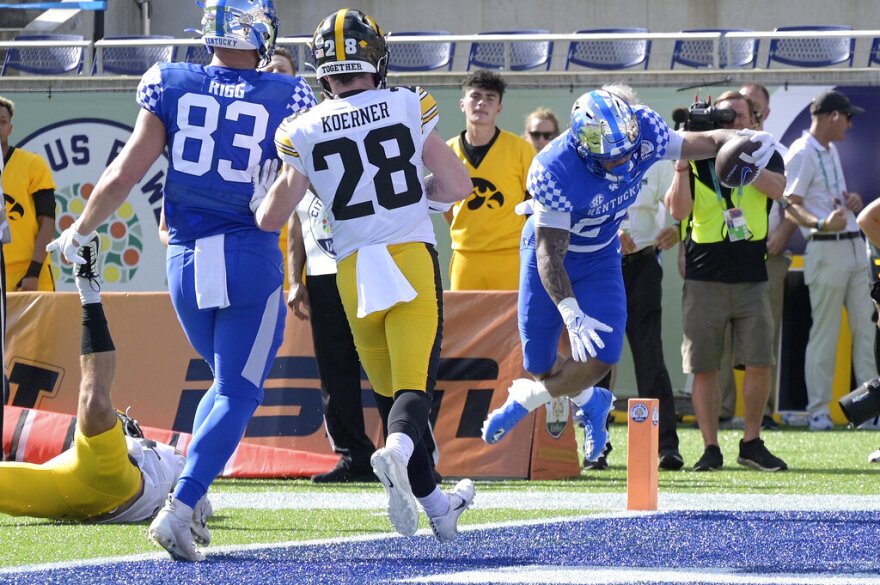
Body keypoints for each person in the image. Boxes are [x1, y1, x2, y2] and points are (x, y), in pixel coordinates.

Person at [46, 0, 316, 561]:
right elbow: (307, 179)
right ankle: (181, 505)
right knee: (238, 391)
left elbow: (125, 172)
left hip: (186, 262)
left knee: (223, 382)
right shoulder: (290, 93)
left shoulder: (170, 81)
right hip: (249, 257)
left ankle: (190, 491)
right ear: (260, 32)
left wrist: (80, 231)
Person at [254, 9, 475, 543]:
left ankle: (439, 509)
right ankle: (395, 452)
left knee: (390, 393)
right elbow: (457, 185)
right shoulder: (407, 103)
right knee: (413, 389)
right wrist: (418, 196)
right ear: (376, 57)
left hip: (352, 269)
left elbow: (270, 217)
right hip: (407, 255)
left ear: (322, 69)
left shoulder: (302, 128)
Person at [480, 84, 778, 466]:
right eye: (613, 157)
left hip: (601, 255)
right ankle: (590, 400)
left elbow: (704, 142)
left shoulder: (645, 128)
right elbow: (548, 253)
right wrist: (570, 310)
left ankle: (530, 398)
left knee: (604, 354)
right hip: (550, 253)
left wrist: (741, 139)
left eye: (628, 152)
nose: (623, 162)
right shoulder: (553, 167)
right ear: (584, 148)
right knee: (538, 362)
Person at [0, 237, 211, 540]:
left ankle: (89, 293)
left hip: (112, 485)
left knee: (95, 404)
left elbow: (199, 501)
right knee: (95, 406)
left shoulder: (175, 461)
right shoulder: (170, 457)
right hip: (87, 484)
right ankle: (89, 291)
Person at [667, 90, 788, 472]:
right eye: (725, 116)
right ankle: (710, 446)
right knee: (704, 365)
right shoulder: (697, 153)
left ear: (754, 119)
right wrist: (682, 164)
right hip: (704, 273)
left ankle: (751, 442)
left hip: (752, 272)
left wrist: (743, 161)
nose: (733, 122)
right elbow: (678, 210)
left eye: (740, 115)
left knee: (759, 361)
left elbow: (778, 190)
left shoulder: (766, 151)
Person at [782, 89, 877, 431]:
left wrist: (850, 201)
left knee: (868, 331)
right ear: (833, 116)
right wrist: (822, 223)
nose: (850, 124)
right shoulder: (801, 151)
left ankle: (870, 410)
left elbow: (824, 197)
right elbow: (790, 203)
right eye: (847, 117)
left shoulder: (829, 149)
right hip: (825, 247)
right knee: (825, 333)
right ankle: (818, 411)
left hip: (854, 246)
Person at [288, 191, 379, 483]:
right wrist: (294, 279)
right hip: (322, 274)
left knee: (389, 363)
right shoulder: (295, 165)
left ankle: (414, 455)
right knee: (333, 369)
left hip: (368, 266)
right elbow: (297, 217)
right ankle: (355, 457)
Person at [619, 155, 683, 470]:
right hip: (600, 264)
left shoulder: (654, 160)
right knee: (597, 358)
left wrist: (679, 228)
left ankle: (666, 446)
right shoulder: (589, 154)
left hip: (643, 263)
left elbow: (682, 205)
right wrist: (609, 233)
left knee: (650, 355)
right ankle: (596, 448)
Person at [444, 70, 536, 291]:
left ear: (499, 108)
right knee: (464, 314)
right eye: (475, 96)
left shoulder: (520, 149)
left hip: (509, 256)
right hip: (466, 255)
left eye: (490, 98)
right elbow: (444, 204)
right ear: (462, 104)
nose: (481, 103)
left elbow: (534, 199)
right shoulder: (448, 151)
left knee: (514, 314)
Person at [0, 96, 56, 292]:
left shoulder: (32, 164)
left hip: (28, 273)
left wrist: (33, 272)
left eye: (3, 121)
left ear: (10, 128)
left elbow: (48, 221)